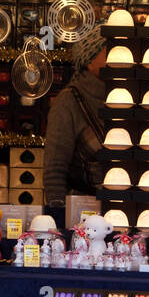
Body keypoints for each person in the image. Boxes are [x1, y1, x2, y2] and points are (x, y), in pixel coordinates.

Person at [43, 26, 108, 221]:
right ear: (89, 61)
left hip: (124, 215)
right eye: (110, 50)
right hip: (82, 217)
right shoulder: (69, 102)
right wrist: (59, 218)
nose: (120, 56)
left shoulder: (130, 98)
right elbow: (55, 170)